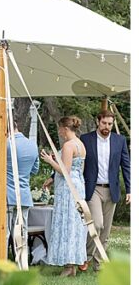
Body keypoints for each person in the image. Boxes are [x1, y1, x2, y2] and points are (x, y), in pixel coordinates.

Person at [0, 114, 40, 259]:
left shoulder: (5, 145)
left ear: (2, 130)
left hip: (3, 196)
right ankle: (22, 266)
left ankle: (1, 268)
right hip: (23, 196)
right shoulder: (32, 145)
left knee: (1, 235)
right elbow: (35, 170)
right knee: (21, 234)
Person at [80, 110, 130, 271]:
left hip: (112, 189)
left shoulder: (119, 140)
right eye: (104, 123)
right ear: (98, 121)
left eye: (109, 124)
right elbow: (76, 162)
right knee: (97, 224)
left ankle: (99, 263)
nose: (106, 127)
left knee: (106, 229)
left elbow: (126, 166)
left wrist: (130, 189)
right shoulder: (86, 139)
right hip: (93, 188)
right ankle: (86, 256)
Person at [41, 116, 87, 276]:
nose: (59, 132)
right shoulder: (80, 144)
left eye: (60, 129)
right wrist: (52, 178)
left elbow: (65, 171)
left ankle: (68, 266)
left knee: (67, 223)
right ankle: (71, 264)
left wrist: (49, 161)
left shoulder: (68, 145)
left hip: (68, 189)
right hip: (78, 185)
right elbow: (75, 168)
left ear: (65, 129)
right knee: (74, 224)